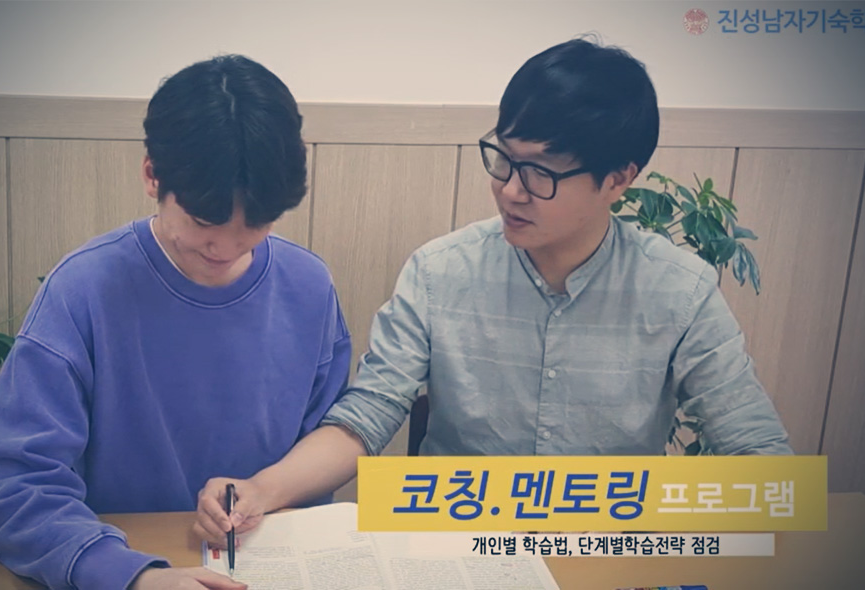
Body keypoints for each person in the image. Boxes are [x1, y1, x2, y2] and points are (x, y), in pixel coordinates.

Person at [193, 37, 792, 547]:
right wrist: (261, 489)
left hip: (604, 548)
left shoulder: (679, 291)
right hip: (455, 548)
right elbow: (367, 415)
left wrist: (651, 522)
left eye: (541, 173)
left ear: (618, 180)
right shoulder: (440, 272)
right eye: (503, 159)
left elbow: (761, 460)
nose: (510, 190)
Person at [0, 55, 351, 590]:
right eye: (203, 222)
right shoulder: (83, 290)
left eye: (258, 223)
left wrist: (265, 495)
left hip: (265, 567)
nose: (227, 247)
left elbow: (332, 441)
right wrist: (131, 576)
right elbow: (16, 486)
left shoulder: (309, 286)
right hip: (127, 565)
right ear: (152, 175)